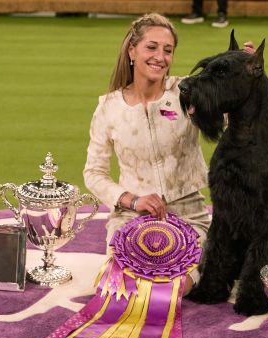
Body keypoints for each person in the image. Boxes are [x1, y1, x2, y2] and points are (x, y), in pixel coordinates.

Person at [83, 13, 253, 293]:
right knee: (127, 288)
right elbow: (94, 173)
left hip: (189, 217)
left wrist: (241, 72)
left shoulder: (188, 91)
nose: (160, 57)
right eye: (151, 47)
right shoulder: (107, 108)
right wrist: (132, 200)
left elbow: (228, 113)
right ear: (132, 51)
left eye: (168, 50)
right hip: (130, 220)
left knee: (171, 289)